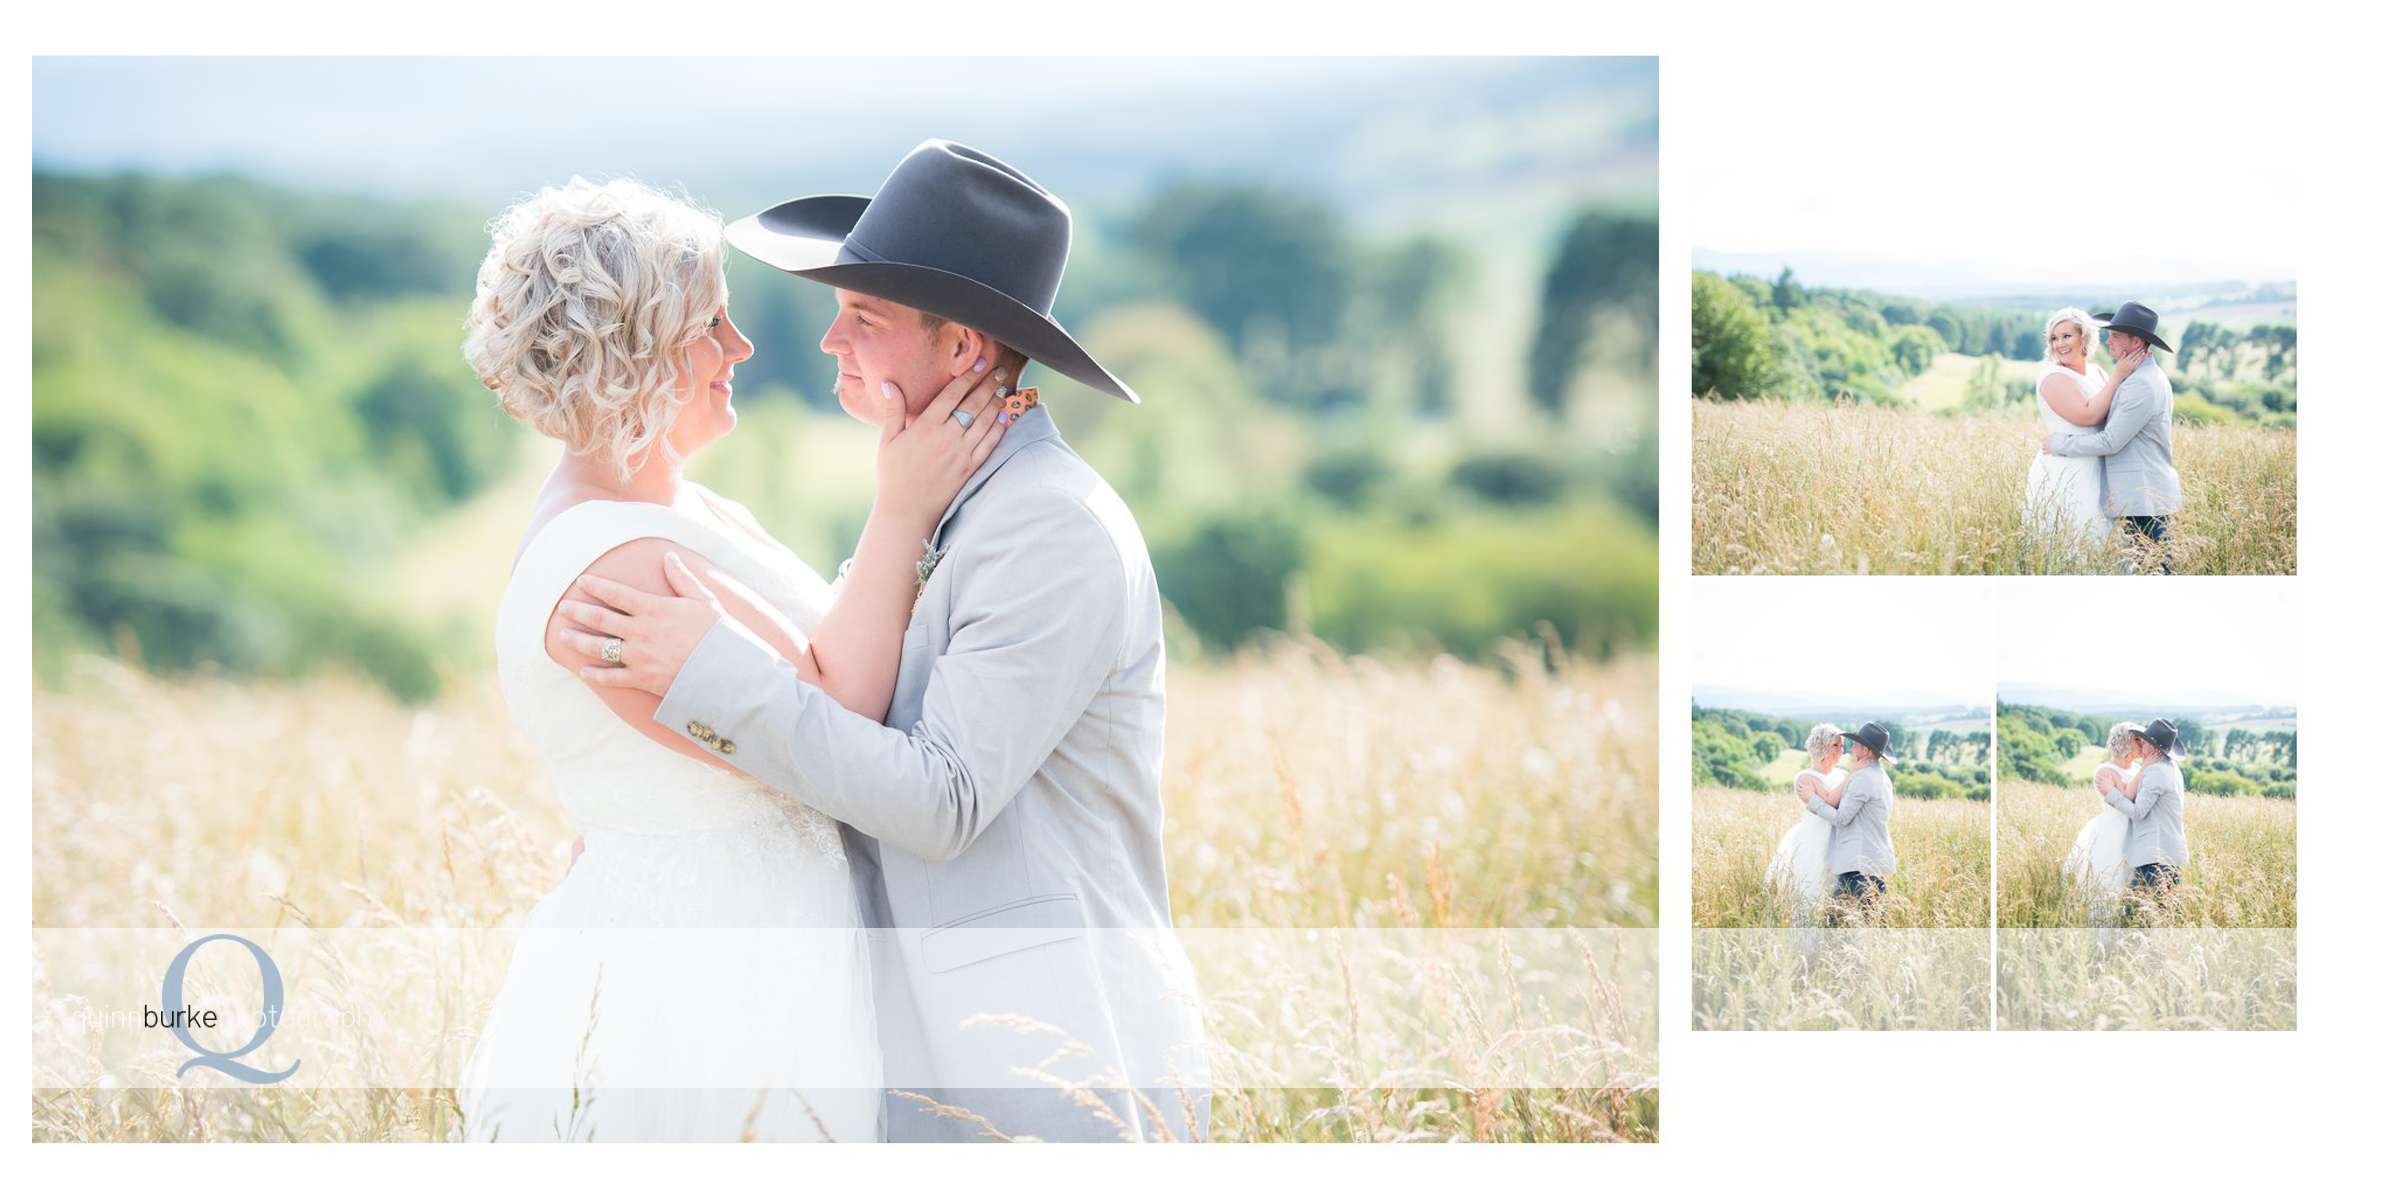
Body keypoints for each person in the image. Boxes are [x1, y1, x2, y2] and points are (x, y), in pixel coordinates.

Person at [546, 142, 1209, 1142]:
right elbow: (841, 715)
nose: (828, 342)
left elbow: (937, 800)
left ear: (964, 351)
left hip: (1049, 1067)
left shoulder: (1050, 527)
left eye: (866, 317)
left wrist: (706, 676)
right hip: (925, 1061)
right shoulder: (937, 498)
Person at [455, 177, 1007, 1141]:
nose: (741, 349)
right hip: (702, 973)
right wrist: (903, 504)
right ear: (639, 352)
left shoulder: (680, 514)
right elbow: (839, 706)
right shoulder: (613, 562)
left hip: (748, 943)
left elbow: (818, 658)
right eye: (712, 324)